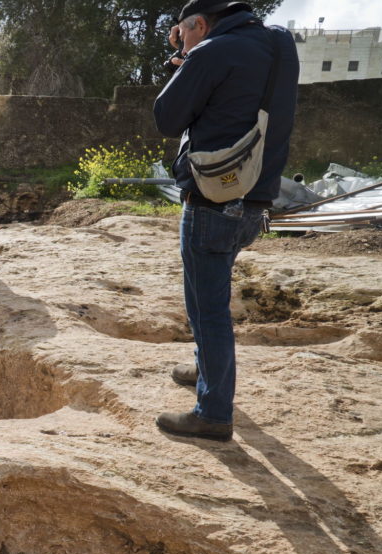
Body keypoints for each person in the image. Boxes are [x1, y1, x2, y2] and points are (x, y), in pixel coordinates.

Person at [153, 0, 298, 441]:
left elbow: (167, 117)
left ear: (199, 24)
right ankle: (204, 368)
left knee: (206, 305)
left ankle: (213, 412)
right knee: (212, 293)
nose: (183, 41)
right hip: (257, 198)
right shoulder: (278, 46)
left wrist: (185, 63)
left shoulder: (210, 51)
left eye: (183, 32)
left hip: (212, 198)